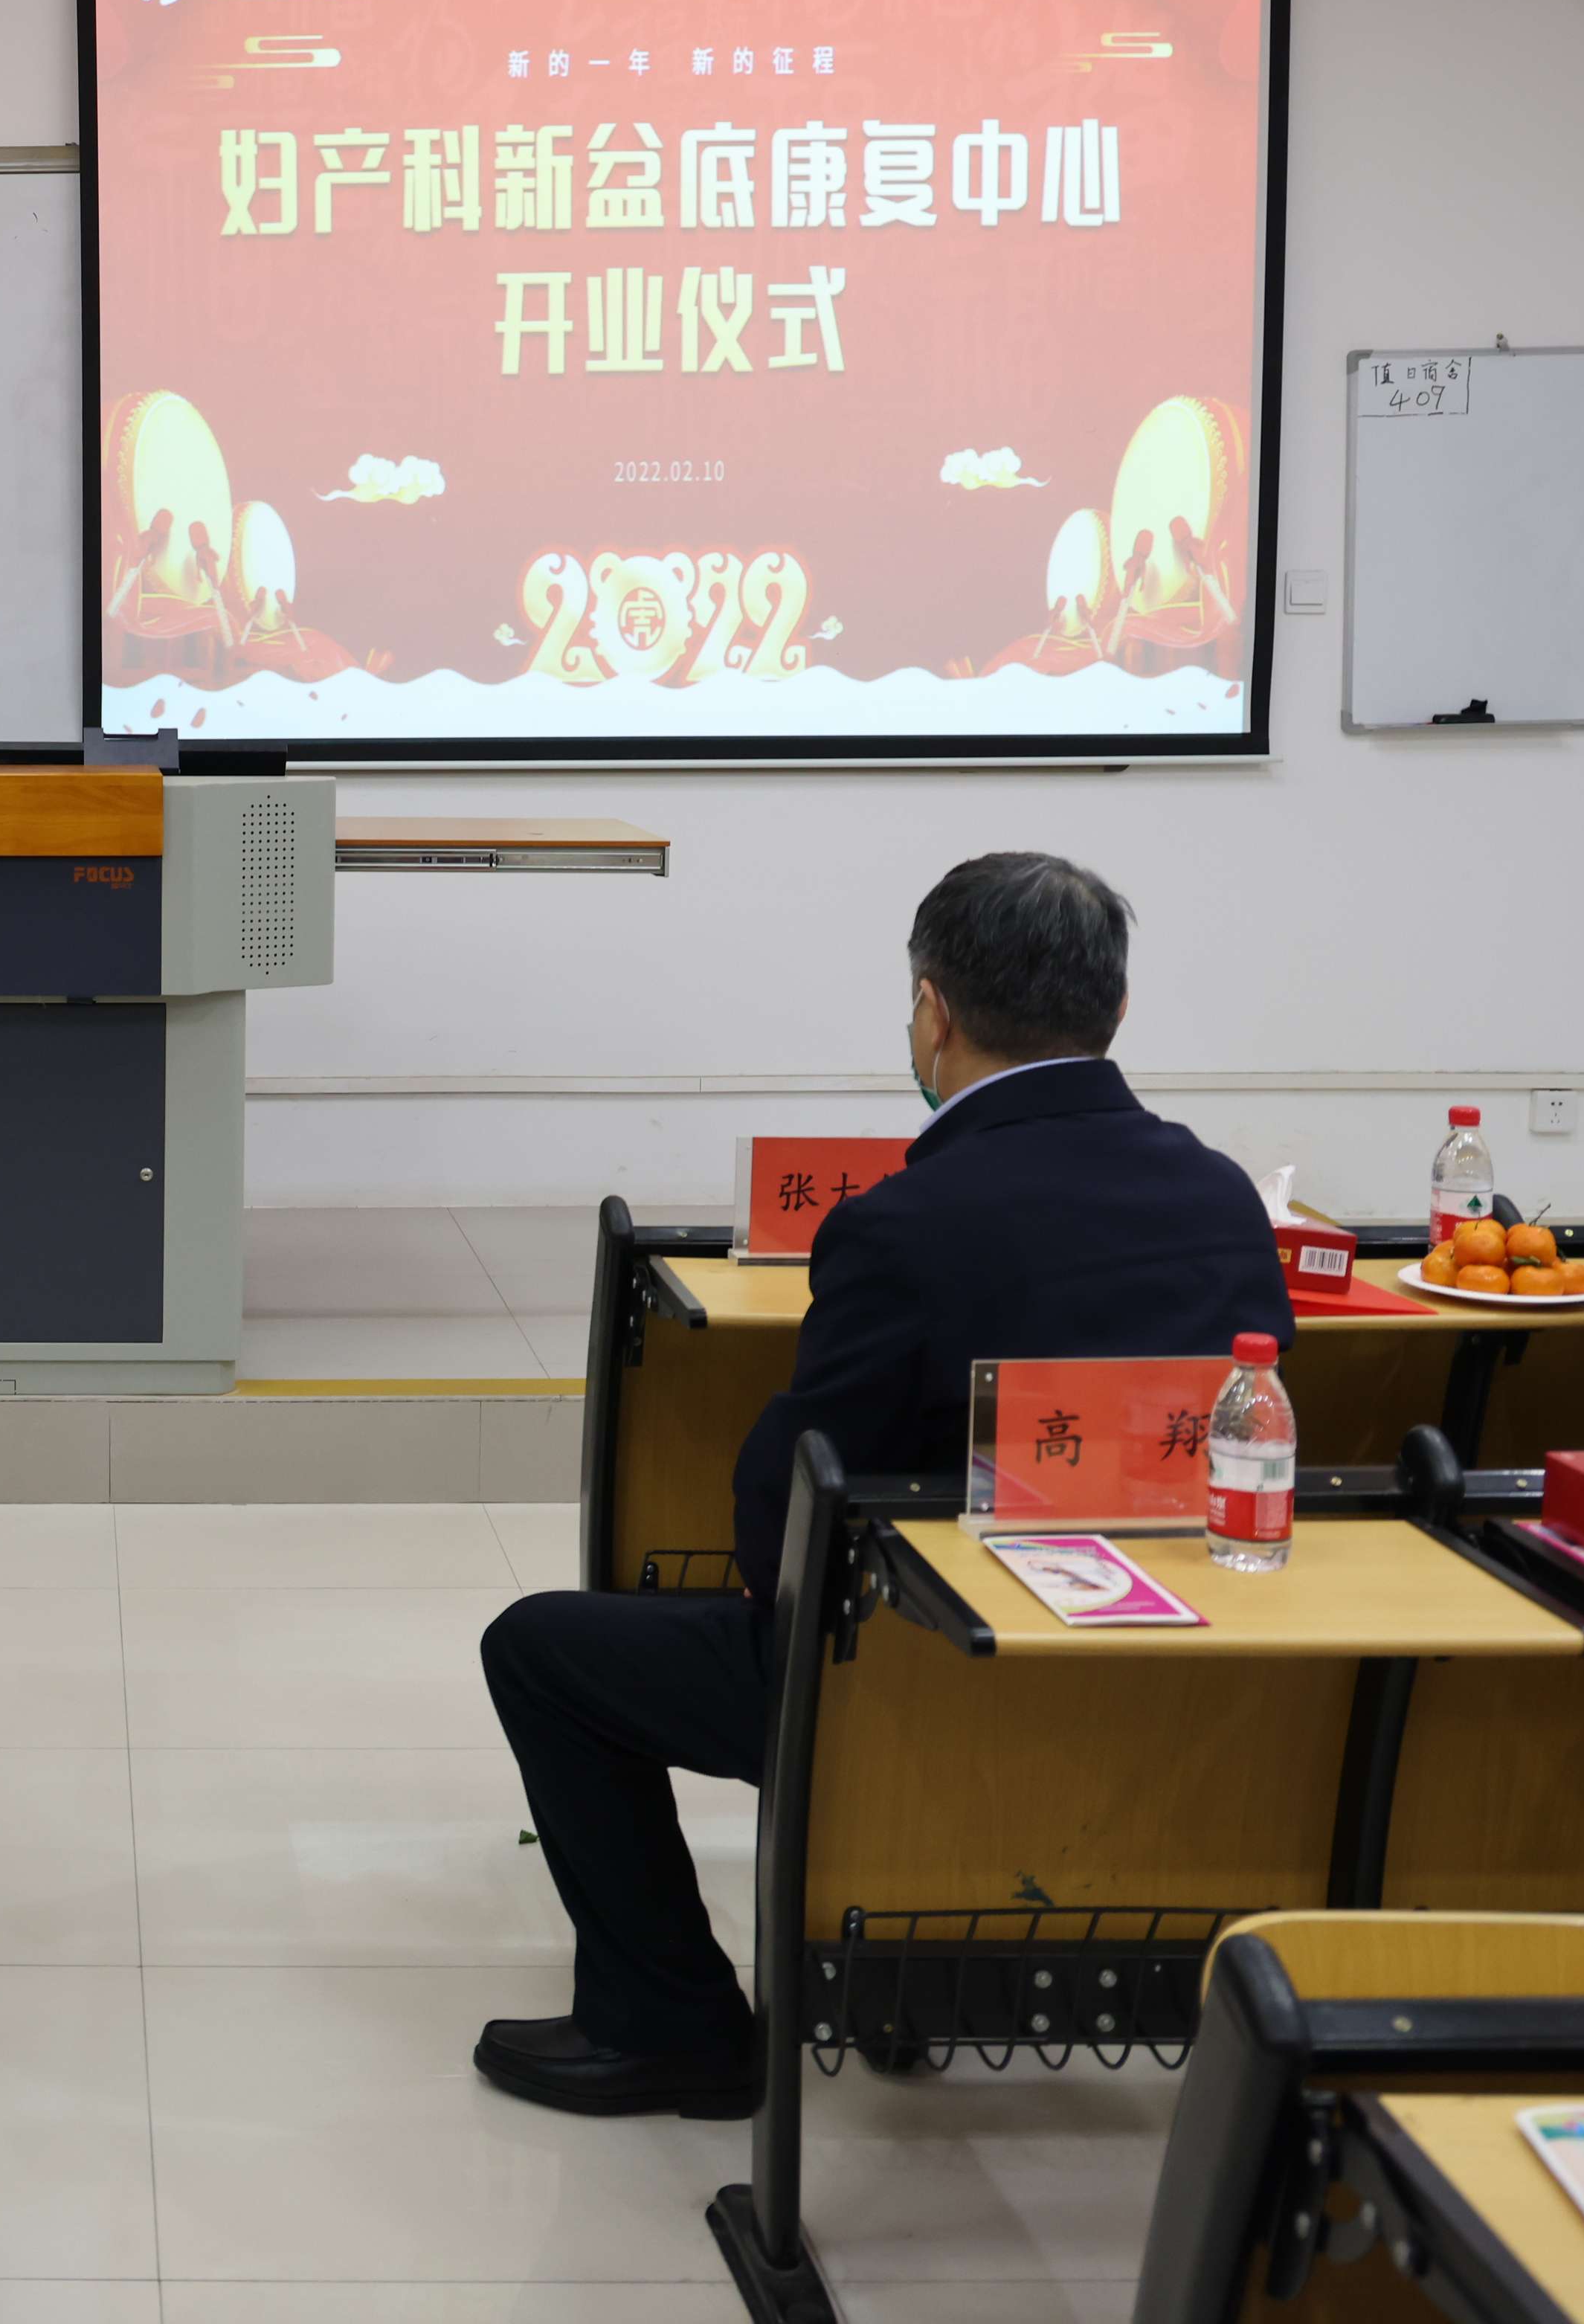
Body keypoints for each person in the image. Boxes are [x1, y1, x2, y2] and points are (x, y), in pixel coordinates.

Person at [472, 852, 1290, 2119]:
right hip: (1179, 1691)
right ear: (1116, 1009)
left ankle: (670, 2026)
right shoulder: (1221, 1194)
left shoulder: (908, 1220)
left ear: (931, 1011)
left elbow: (798, 1501)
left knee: (541, 1648)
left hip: (930, 1685)